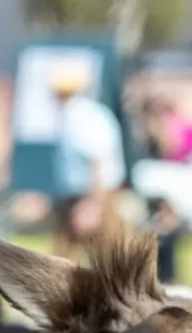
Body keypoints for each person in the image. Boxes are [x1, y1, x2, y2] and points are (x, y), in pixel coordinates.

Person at [50, 59, 126, 260]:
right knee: (67, 256)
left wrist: (93, 204)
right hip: (88, 194)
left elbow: (98, 161)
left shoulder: (81, 116)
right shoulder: (85, 113)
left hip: (92, 194)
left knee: (111, 258)